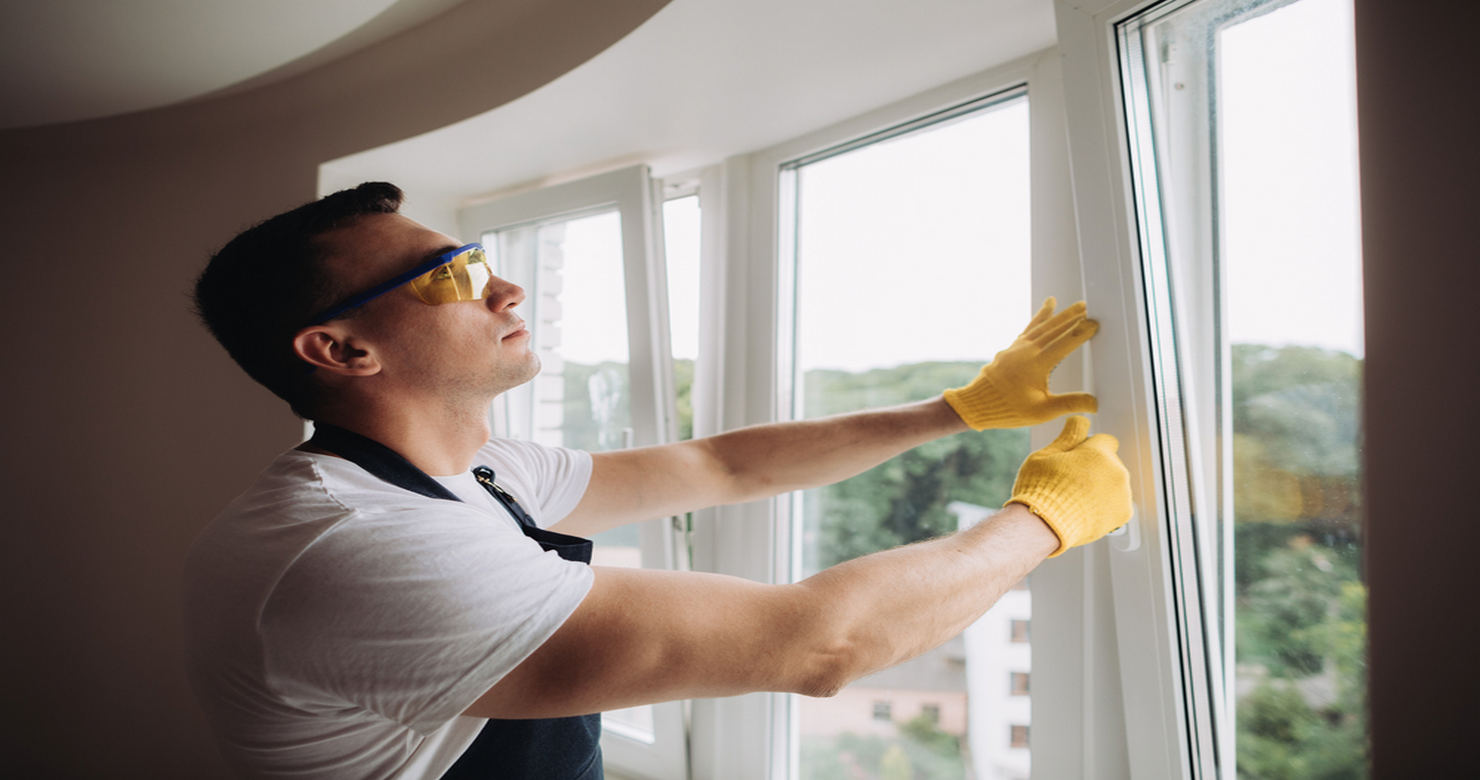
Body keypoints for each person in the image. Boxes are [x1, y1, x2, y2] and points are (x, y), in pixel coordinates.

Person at [185, 182, 1132, 779]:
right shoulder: (354, 548)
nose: (501, 289)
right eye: (447, 276)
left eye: (475, 259)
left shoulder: (477, 468)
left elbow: (720, 467)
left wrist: (955, 412)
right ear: (341, 348)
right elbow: (820, 646)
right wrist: (1043, 518)